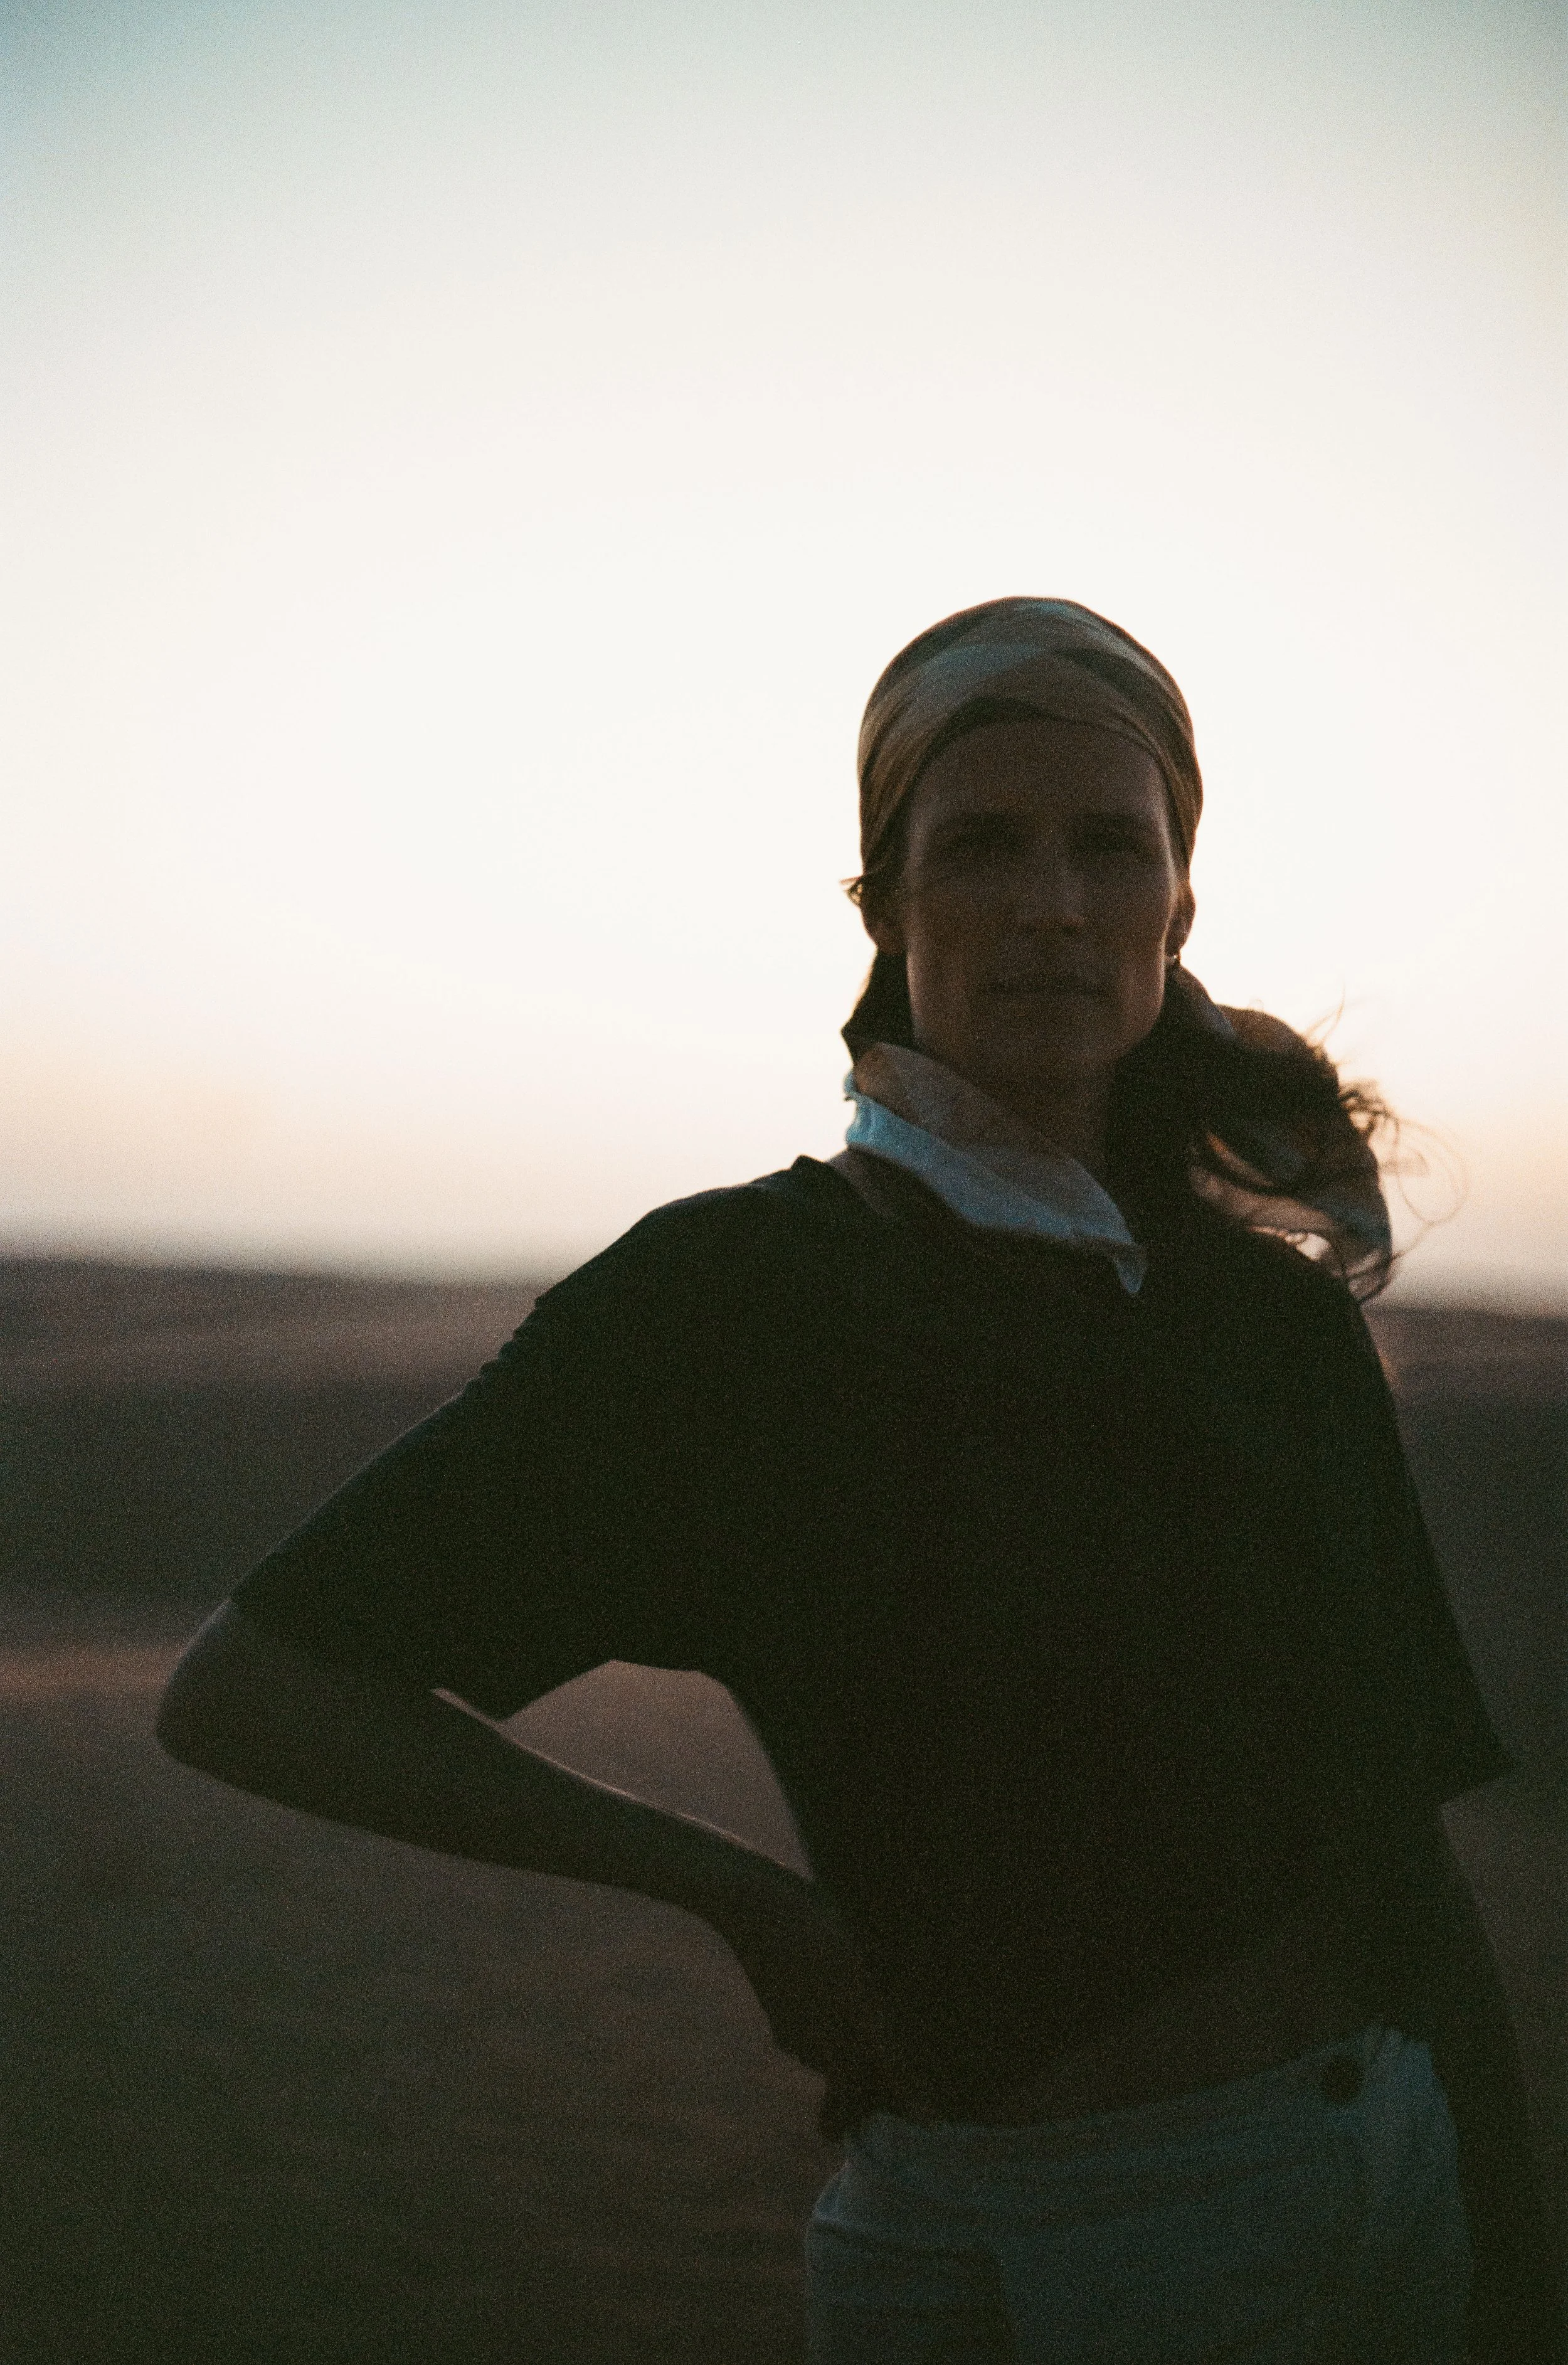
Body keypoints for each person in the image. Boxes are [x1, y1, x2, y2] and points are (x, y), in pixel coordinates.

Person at [158, 598, 1560, 2362]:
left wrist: (1506, 2258)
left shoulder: (1260, 1318)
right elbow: (253, 1692)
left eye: (1107, 847)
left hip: (1347, 2184)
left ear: (1176, 905)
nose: (1052, 905)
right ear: (884, 910)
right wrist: (734, 1897)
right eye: (979, 846)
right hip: (976, 2247)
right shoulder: (739, 1298)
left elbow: (1393, 1858)